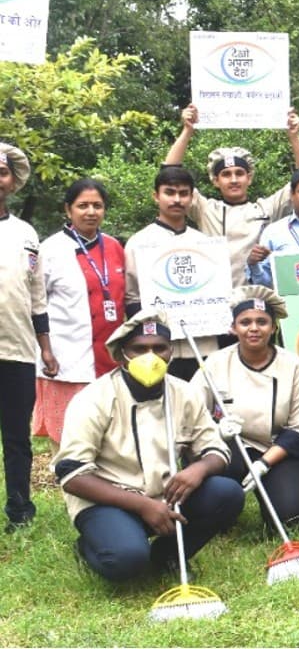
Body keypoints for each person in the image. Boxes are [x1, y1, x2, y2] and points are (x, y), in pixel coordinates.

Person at [51, 309, 244, 581]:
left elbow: (216, 449)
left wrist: (198, 469)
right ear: (121, 355)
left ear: (171, 352)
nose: (151, 357)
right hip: (109, 500)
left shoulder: (184, 392)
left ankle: (167, 556)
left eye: (159, 348)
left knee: (228, 493)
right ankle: (90, 547)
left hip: (164, 495)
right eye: (139, 349)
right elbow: (71, 475)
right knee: (126, 561)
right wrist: (142, 505)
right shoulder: (93, 398)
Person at [199, 287, 299, 531]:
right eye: (245, 322)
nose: (254, 328)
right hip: (230, 447)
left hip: (277, 450)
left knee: (295, 521)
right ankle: (223, 507)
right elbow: (191, 414)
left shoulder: (293, 366)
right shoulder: (216, 362)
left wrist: (263, 463)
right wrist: (216, 429)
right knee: (211, 514)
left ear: (273, 327)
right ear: (233, 327)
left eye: (262, 322)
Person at [162, 104, 299, 287]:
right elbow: (169, 174)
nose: (233, 180)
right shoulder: (205, 209)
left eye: (239, 173)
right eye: (226, 174)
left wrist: (294, 137)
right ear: (215, 180)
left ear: (249, 178)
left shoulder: (266, 208)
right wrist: (187, 131)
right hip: (215, 298)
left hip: (257, 301)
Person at [37, 179, 127, 447]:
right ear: (68, 210)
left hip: (110, 357)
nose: (91, 212)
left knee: (109, 435)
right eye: (83, 205)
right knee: (69, 437)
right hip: (66, 358)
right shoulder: (50, 250)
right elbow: (36, 303)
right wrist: (45, 349)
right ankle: (71, 487)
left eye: (97, 206)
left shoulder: (114, 247)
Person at [0, 143, 54, 532]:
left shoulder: (25, 233)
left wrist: (46, 346)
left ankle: (19, 510)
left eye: (2, 172)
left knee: (17, 437)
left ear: (12, 180)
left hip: (16, 349)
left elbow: (37, 295)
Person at [123, 165, 218, 381]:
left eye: (183, 193)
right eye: (169, 192)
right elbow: (131, 297)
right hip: (158, 350)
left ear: (192, 197)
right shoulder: (139, 243)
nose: (177, 200)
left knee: (203, 408)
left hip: (204, 346)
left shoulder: (204, 243)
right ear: (156, 196)